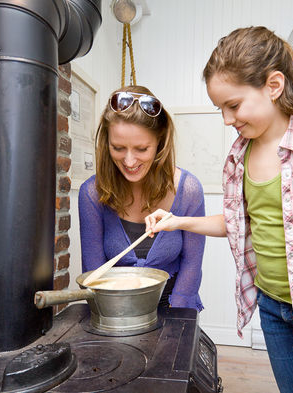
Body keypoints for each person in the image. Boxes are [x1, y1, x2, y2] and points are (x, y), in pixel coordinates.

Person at [145, 26, 293, 392]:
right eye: (220, 108)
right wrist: (178, 220)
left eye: (233, 105)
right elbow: (242, 222)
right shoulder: (239, 155)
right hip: (274, 309)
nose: (227, 119)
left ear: (273, 86)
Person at [78, 85, 205, 310]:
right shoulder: (91, 194)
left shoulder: (189, 190)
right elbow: (92, 274)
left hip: (173, 306)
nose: (129, 161)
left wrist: (177, 320)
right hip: (112, 309)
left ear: (160, 142)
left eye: (141, 149)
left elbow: (192, 264)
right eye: (118, 148)